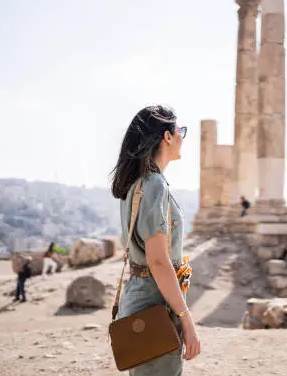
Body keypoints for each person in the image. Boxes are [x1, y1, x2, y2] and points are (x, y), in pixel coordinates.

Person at [110, 105, 201, 375]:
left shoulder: (136, 184)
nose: (183, 137)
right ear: (167, 137)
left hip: (139, 297)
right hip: (154, 304)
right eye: (180, 131)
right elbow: (159, 261)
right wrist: (186, 319)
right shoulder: (155, 185)